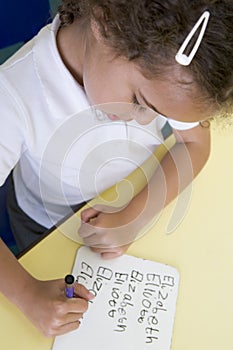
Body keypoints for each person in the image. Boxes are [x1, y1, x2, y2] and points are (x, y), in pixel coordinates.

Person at [0, 0, 232, 337]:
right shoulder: (14, 94)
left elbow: (194, 142)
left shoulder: (174, 68)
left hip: (126, 201)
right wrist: (27, 293)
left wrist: (137, 213)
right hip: (44, 223)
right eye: (141, 103)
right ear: (105, 23)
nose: (149, 120)